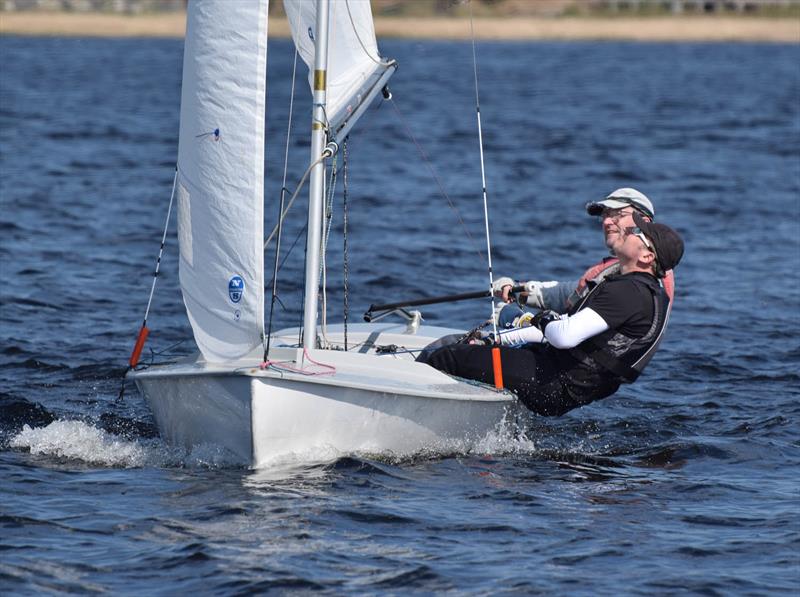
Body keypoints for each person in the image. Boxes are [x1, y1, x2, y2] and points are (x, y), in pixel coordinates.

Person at [418, 212, 684, 416]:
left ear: (647, 257)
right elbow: (566, 330)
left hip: (554, 383)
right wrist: (499, 340)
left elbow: (564, 336)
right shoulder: (645, 291)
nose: (631, 231)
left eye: (639, 232)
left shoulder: (628, 293)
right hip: (562, 379)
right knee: (470, 349)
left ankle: (413, 407)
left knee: (448, 356)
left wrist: (541, 316)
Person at [493, 187, 675, 313]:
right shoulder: (615, 270)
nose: (606, 222)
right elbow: (570, 296)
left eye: (617, 215)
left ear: (643, 222)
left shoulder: (650, 274)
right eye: (604, 216)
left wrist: (521, 320)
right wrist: (516, 289)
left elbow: (577, 329)